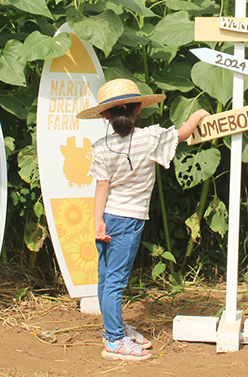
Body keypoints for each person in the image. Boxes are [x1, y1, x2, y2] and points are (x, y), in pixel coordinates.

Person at [78, 78, 209, 361]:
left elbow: (101, 186)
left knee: (106, 277)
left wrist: (97, 221)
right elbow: (183, 133)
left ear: (105, 115)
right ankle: (114, 340)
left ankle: (113, 328)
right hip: (130, 219)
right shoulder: (151, 137)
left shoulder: (100, 147)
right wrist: (198, 114)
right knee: (116, 281)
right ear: (139, 109)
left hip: (109, 216)